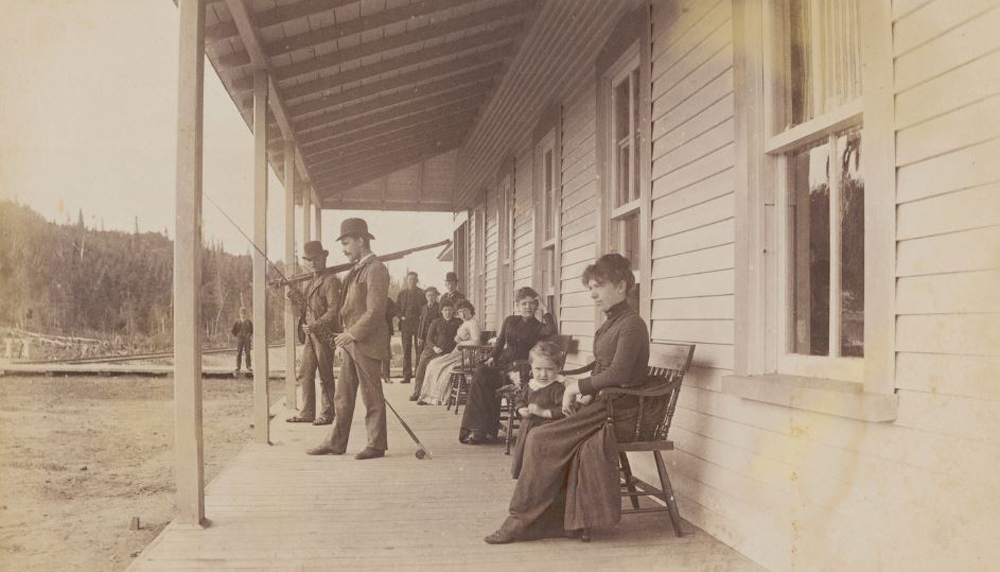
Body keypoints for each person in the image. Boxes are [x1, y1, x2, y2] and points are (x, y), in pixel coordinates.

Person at [483, 253, 650, 544]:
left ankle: (521, 521)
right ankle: (554, 518)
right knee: (537, 429)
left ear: (621, 286)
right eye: (590, 288)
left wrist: (576, 389)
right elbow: (603, 369)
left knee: (540, 438)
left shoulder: (632, 325)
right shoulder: (612, 322)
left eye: (598, 286)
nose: (593, 294)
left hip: (619, 411)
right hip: (602, 404)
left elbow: (620, 372)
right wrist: (583, 391)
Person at [308, 218, 389, 460]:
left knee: (372, 396)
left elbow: (375, 311)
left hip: (367, 343)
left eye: (346, 243)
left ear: (360, 240)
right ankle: (336, 442)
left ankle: (376, 444)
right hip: (352, 343)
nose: (343, 249)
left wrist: (351, 333)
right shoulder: (357, 269)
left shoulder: (376, 269)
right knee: (342, 395)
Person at [460, 286, 556, 444]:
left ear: (536, 306)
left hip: (521, 371)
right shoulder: (510, 320)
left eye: (532, 303)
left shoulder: (538, 327)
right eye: (524, 303)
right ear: (518, 305)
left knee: (483, 379)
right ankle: (477, 429)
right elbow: (500, 343)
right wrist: (491, 357)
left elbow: (552, 329)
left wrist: (545, 309)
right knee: (481, 372)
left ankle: (482, 431)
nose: (528, 307)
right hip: (503, 366)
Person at [286, 240, 341, 426]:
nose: (313, 263)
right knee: (305, 372)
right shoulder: (310, 282)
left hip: (324, 334)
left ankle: (327, 413)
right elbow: (305, 307)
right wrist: (293, 295)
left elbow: (334, 310)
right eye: (309, 260)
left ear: (324, 258)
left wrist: (316, 324)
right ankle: (307, 412)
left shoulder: (331, 281)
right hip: (310, 335)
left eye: (316, 259)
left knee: (325, 374)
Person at [417, 299, 481, 405]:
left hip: (468, 355)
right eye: (460, 312)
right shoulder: (467, 322)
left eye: (465, 311)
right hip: (460, 353)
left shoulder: (473, 323)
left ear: (470, 310)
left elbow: (476, 342)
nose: (463, 314)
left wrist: (460, 343)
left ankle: (437, 397)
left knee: (439, 365)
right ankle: (429, 396)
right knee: (433, 364)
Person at [409, 299, 462, 401]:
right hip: (433, 348)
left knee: (433, 366)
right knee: (422, 363)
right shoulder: (436, 322)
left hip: (448, 351)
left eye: (450, 310)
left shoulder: (458, 323)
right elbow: (429, 339)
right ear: (441, 311)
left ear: (453, 311)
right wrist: (435, 347)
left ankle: (430, 394)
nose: (448, 312)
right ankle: (417, 391)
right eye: (445, 310)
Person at [396, 271, 424, 383]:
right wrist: (401, 317)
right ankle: (406, 376)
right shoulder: (402, 293)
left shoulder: (422, 293)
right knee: (406, 349)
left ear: (417, 281)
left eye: (414, 279)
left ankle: (418, 375)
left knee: (419, 349)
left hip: (418, 323)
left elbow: (425, 307)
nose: (412, 281)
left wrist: (422, 318)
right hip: (406, 323)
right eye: (410, 279)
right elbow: (396, 308)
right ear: (407, 281)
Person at [416, 286, 441, 356]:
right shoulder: (424, 307)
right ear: (426, 297)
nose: (430, 297)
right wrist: (419, 336)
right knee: (422, 353)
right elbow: (421, 323)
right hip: (424, 335)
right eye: (428, 295)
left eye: (432, 295)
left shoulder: (439, 307)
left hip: (434, 335)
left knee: (431, 353)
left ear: (436, 296)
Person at [231, 307, 253, 373]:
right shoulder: (237, 322)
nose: (243, 315)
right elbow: (233, 330)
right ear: (239, 314)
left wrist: (249, 335)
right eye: (241, 313)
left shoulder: (249, 322)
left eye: (244, 313)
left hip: (247, 339)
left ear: (245, 314)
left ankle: (249, 366)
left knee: (248, 353)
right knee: (238, 352)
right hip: (240, 339)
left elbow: (252, 330)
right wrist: (237, 335)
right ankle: (238, 366)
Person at [382, 296, 398, 384]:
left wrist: (387, 313)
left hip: (386, 328)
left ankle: (386, 376)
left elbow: (395, 311)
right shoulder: (370, 297)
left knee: (386, 352)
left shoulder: (388, 300)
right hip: (372, 330)